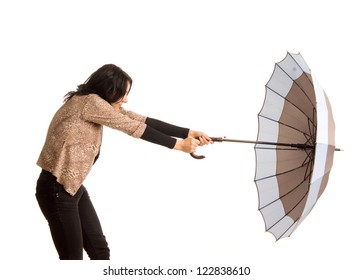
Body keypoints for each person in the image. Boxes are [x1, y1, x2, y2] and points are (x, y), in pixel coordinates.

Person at [35, 64, 212, 260]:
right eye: (122, 93)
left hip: (72, 188)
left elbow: (142, 121)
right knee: (72, 258)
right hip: (56, 189)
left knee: (100, 252)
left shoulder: (96, 103)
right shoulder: (90, 102)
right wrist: (179, 146)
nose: (126, 99)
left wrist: (188, 133)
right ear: (108, 89)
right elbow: (132, 127)